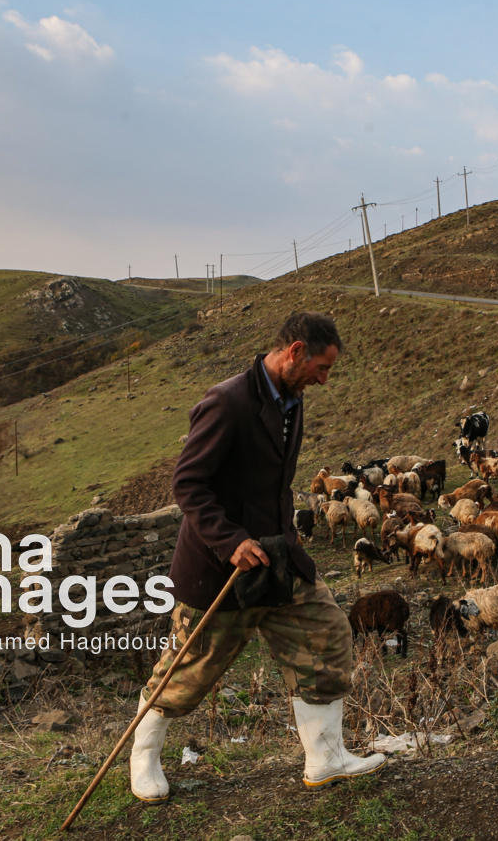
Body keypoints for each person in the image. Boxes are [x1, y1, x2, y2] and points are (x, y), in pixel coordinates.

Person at [130, 311, 386, 803]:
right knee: (189, 670)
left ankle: (325, 759)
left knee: (327, 633)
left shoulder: (292, 398)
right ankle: (143, 756)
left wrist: (283, 538)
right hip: (220, 565)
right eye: (321, 368)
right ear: (294, 353)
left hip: (277, 557)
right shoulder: (226, 402)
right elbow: (188, 484)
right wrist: (229, 541)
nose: (324, 380)